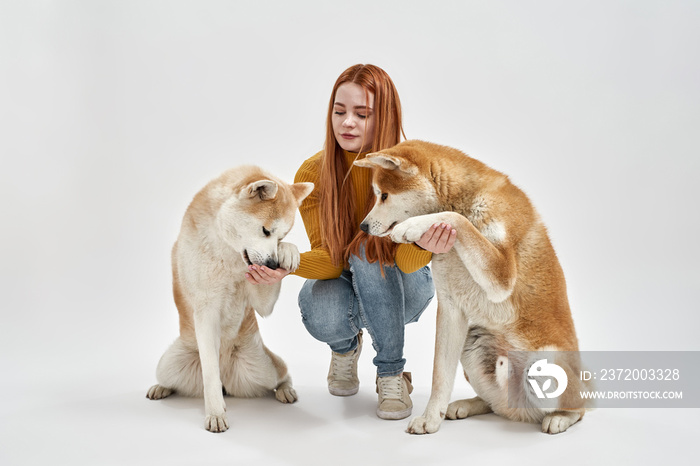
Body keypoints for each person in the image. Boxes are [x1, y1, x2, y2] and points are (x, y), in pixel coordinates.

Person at [245, 64, 456, 420]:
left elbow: (405, 263)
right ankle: (345, 347)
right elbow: (330, 260)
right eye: (339, 111)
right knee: (323, 306)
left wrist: (424, 246)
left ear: (384, 116)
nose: (347, 123)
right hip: (343, 277)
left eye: (362, 114)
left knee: (366, 250)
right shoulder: (313, 173)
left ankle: (391, 373)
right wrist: (285, 264)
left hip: (406, 283)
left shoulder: (408, 172)